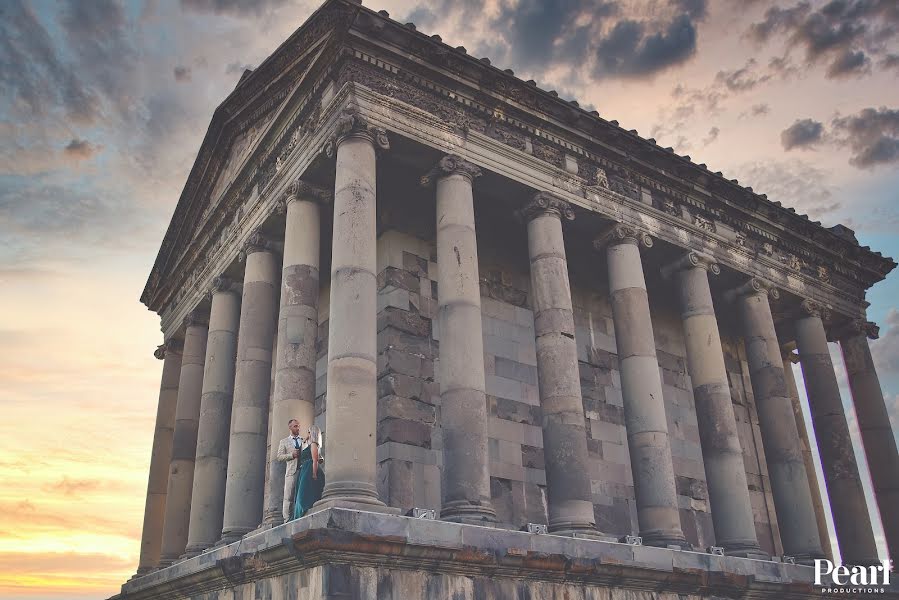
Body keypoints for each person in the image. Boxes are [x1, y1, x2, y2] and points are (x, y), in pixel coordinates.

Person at [291, 424, 324, 520]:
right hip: (304, 470)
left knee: (303, 494)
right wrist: (305, 441)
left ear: (313, 433)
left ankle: (304, 510)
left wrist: (313, 473)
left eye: (309, 432)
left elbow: (315, 460)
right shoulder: (309, 444)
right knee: (301, 493)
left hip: (309, 468)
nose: (307, 434)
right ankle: (300, 512)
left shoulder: (314, 444)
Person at [275, 419, 303, 522]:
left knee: (300, 494)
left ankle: (298, 515)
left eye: (298, 426)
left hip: (303, 470)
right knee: (288, 497)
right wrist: (291, 455)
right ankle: (287, 519)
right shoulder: (284, 441)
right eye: (295, 426)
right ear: (290, 427)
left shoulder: (303, 440)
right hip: (291, 471)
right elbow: (279, 457)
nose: (298, 428)